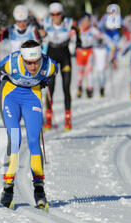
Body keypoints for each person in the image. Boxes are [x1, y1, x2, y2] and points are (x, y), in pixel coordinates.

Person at [0, 40, 57, 210]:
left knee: (34, 141)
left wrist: (44, 82)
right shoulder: (11, 62)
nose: (33, 67)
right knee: (15, 139)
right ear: (22, 58)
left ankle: (39, 190)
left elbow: (52, 73)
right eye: (29, 63)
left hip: (32, 96)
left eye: (36, 62)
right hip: (10, 95)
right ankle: (8, 189)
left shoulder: (49, 65)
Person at [38, 2, 80, 131]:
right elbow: (35, 31)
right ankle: (48, 119)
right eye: (53, 14)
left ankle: (68, 120)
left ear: (62, 14)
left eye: (58, 14)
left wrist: (77, 40)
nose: (55, 17)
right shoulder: (45, 22)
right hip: (51, 55)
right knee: (50, 88)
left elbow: (78, 32)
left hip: (65, 54)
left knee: (66, 88)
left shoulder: (69, 22)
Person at [76, 13, 102, 98]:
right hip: (80, 51)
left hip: (89, 51)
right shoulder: (78, 29)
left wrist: (99, 40)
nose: (85, 23)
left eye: (87, 21)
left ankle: (90, 89)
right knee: (80, 72)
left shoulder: (92, 29)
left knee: (89, 71)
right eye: (84, 21)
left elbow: (100, 36)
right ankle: (79, 88)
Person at [98, 4, 122, 69]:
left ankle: (114, 60)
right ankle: (106, 61)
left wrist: (109, 25)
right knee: (107, 47)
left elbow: (119, 24)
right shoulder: (105, 16)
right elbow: (100, 25)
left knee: (114, 47)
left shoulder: (118, 17)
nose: (113, 12)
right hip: (107, 34)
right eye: (112, 10)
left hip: (114, 35)